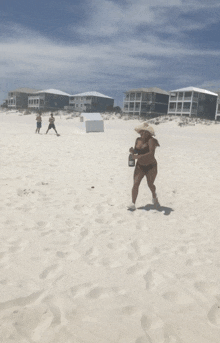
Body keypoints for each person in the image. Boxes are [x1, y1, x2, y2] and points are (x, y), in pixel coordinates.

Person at [128, 122, 160, 211]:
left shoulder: (151, 141)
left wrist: (137, 157)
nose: (144, 134)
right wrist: (132, 151)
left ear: (149, 133)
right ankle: (133, 203)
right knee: (135, 183)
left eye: (146, 132)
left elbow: (151, 154)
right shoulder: (138, 139)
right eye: (142, 132)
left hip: (151, 166)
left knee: (150, 184)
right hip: (140, 166)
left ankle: (154, 196)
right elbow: (137, 151)